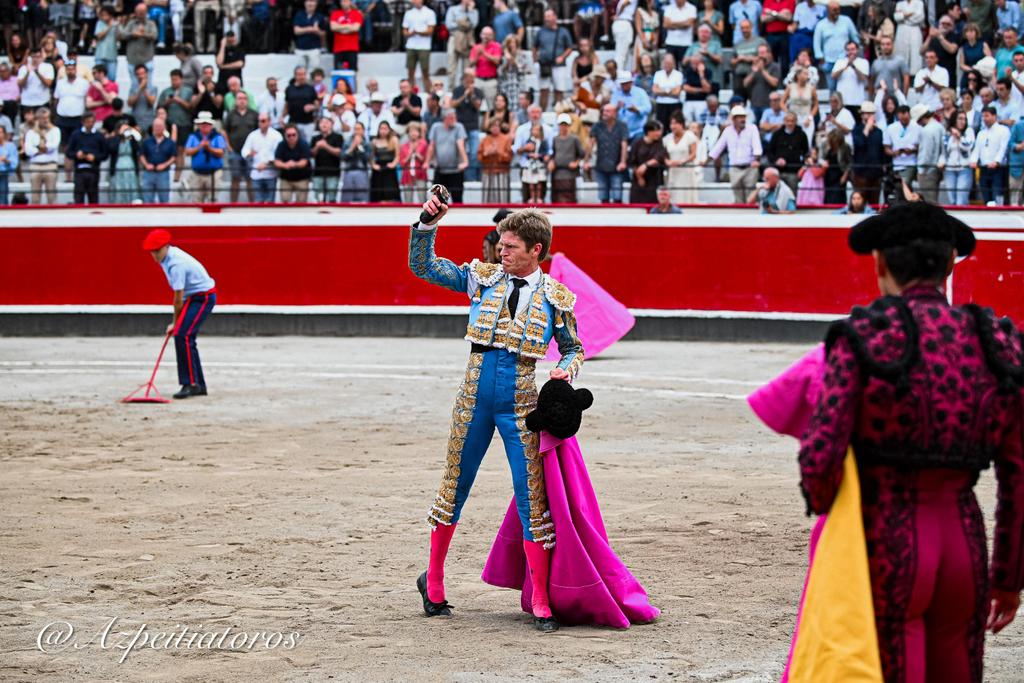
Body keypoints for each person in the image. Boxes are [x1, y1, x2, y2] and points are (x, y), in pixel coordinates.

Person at [798, 201, 1024, 683]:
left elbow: (820, 459)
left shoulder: (864, 338)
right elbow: (1019, 473)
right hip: (964, 542)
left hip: (887, 540)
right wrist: (1008, 577)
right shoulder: (997, 342)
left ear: (880, 264)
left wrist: (833, 514)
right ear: (950, 264)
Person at [409, 199, 584, 633]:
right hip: (473, 397)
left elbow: (574, 348)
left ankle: (540, 597)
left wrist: (566, 369)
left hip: (522, 404)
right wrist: (426, 224)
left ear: (536, 250)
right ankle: (433, 581)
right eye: (501, 245)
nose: (500, 251)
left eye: (510, 246)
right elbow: (423, 267)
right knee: (454, 485)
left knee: (532, 497)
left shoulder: (556, 297)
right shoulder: (481, 278)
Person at [142, 229, 216, 400]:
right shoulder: (167, 258)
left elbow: (177, 300)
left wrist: (175, 323)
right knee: (185, 336)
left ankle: (190, 384)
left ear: (166, 247)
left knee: (182, 335)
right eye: (152, 252)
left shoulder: (176, 264)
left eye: (157, 251)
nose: (155, 255)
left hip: (202, 298)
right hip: (194, 297)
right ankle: (198, 384)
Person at [709, 106, 763, 203]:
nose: (743, 119)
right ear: (733, 119)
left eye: (743, 117)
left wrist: (756, 160)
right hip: (734, 168)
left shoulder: (752, 128)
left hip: (750, 167)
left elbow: (757, 147)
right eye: (740, 117)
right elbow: (718, 148)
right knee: (737, 196)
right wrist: (705, 161)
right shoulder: (728, 131)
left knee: (750, 196)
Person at [585, 102, 630, 203]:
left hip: (616, 166)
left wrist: (623, 162)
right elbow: (591, 143)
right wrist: (586, 161)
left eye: (608, 111)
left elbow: (624, 144)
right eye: (604, 111)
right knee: (603, 195)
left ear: (615, 113)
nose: (604, 113)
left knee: (617, 195)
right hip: (601, 165)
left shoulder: (622, 126)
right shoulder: (597, 126)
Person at [426, 109, 469, 203]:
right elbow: (431, 146)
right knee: (438, 200)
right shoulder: (436, 127)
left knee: (457, 198)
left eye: (455, 117)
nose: (454, 120)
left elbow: (460, 145)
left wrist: (465, 162)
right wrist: (426, 162)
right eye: (452, 118)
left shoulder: (459, 127)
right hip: (440, 170)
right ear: (445, 118)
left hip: (456, 171)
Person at [813, 1, 859, 91]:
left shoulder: (847, 21)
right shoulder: (821, 25)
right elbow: (816, 44)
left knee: (845, 87)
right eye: (834, 10)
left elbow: (855, 38)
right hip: (829, 61)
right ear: (828, 10)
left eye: (838, 9)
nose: (836, 12)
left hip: (845, 60)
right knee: (832, 88)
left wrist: (854, 53)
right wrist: (821, 58)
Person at [535, 9, 574, 111]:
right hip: (544, 65)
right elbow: (535, 47)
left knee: (559, 90)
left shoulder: (563, 32)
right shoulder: (541, 32)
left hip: (559, 66)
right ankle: (542, 113)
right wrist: (535, 60)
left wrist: (562, 57)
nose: (546, 19)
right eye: (545, 16)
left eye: (548, 16)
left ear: (555, 17)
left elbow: (570, 47)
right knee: (544, 90)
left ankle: (559, 112)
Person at [971, 105, 1011, 205]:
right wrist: (973, 160)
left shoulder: (1003, 130)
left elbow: (1003, 148)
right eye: (983, 116)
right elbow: (977, 149)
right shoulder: (981, 133)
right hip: (984, 168)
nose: (984, 119)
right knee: (985, 195)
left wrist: (996, 161)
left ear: (994, 116)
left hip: (998, 168)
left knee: (997, 195)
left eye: (987, 116)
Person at [185, 111, 226, 203]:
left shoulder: (217, 136)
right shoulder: (193, 136)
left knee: (213, 200)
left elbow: (221, 152)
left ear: (211, 125)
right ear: (199, 125)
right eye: (202, 124)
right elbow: (187, 152)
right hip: (197, 173)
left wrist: (209, 148)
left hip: (213, 174)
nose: (205, 126)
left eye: (207, 124)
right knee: (196, 200)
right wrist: (199, 146)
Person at [939, 109, 976, 205]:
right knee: (952, 199)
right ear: (954, 119)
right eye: (960, 119)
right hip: (949, 168)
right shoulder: (947, 133)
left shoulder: (969, 131)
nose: (962, 121)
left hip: (964, 168)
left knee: (961, 199)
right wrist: (942, 162)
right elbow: (944, 152)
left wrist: (959, 137)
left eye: (964, 119)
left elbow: (968, 146)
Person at [24, 107, 60, 204]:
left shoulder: (55, 130)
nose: (46, 120)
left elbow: (54, 145)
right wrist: (41, 149)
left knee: (52, 197)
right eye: (43, 118)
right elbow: (28, 150)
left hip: (50, 165)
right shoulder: (31, 133)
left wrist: (39, 148)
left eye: (47, 117)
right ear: (37, 119)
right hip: (35, 166)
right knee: (35, 198)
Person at [768, 111, 810, 192]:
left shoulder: (801, 135)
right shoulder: (777, 134)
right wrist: (776, 160)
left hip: (793, 172)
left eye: (792, 121)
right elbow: (770, 152)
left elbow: (806, 152)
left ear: (796, 121)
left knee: (792, 194)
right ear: (784, 121)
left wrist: (802, 167)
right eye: (787, 121)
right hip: (778, 171)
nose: (790, 123)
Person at [664, 110, 701, 202]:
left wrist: (681, 162)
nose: (673, 126)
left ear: (681, 124)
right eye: (671, 124)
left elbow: (693, 154)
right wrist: (668, 162)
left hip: (686, 171)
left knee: (687, 196)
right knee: (673, 196)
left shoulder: (690, 136)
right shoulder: (667, 138)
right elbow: (664, 155)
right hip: (673, 172)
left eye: (675, 123)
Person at [118, 3, 157, 90]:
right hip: (133, 59)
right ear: (135, 13)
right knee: (135, 86)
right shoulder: (131, 24)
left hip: (147, 59)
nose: (140, 15)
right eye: (138, 12)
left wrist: (144, 34)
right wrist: (132, 34)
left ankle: (148, 99)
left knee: (148, 85)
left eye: (142, 12)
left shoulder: (151, 24)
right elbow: (123, 35)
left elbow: (154, 36)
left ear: (146, 12)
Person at [627, 120, 666, 204]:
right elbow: (632, 161)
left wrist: (646, 165)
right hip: (638, 179)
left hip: (653, 178)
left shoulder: (659, 143)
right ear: (649, 132)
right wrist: (639, 177)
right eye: (656, 131)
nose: (659, 133)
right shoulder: (637, 143)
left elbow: (659, 156)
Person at [53, 58, 89, 150]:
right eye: (68, 69)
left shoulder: (84, 83)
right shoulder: (60, 83)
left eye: (72, 69)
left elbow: (86, 100)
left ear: (76, 70)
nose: (70, 71)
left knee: (77, 142)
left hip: (77, 118)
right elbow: (56, 99)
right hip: (62, 117)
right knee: (63, 142)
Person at [139, 116, 176, 204]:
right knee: (147, 200)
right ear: (153, 127)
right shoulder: (146, 141)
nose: (158, 128)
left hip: (163, 173)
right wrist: (146, 164)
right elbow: (141, 155)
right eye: (156, 126)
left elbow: (174, 157)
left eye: (160, 126)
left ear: (164, 127)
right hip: (148, 173)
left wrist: (165, 165)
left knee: (164, 199)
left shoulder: (170, 142)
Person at [549, 113, 584, 203]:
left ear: (569, 126)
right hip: (557, 172)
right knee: (557, 195)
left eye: (565, 125)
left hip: (570, 173)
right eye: (561, 125)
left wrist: (576, 162)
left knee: (569, 195)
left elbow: (581, 154)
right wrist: (551, 162)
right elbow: (553, 154)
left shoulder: (574, 139)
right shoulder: (555, 139)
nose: (563, 127)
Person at [273, 124, 313, 203]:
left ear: (298, 134)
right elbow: (277, 162)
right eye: (289, 135)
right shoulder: (281, 145)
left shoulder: (304, 144)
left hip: (302, 178)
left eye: (294, 135)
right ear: (285, 136)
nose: (291, 137)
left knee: (301, 203)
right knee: (285, 201)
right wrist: (285, 165)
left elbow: (304, 162)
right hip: (286, 178)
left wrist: (294, 164)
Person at [403, 0, 436, 94]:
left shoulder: (429, 12)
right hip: (411, 46)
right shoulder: (408, 13)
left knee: (425, 72)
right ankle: (411, 94)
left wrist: (418, 32)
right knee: (410, 72)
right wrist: (411, 33)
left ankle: (429, 94)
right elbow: (405, 31)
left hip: (424, 47)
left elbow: (430, 30)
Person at [883, 104, 921, 185]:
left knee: (904, 183)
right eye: (901, 118)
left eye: (906, 118)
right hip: (896, 163)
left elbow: (921, 146)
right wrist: (893, 153)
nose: (903, 120)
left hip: (911, 163)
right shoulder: (891, 128)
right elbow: (886, 147)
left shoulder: (918, 127)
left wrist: (912, 150)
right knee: (899, 186)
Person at [478, 117, 513, 203]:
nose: (495, 128)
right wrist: (486, 153)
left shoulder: (506, 139)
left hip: (502, 172)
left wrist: (498, 152)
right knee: (487, 199)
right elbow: (479, 157)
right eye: (492, 126)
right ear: (489, 128)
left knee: (502, 198)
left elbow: (509, 157)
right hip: (487, 172)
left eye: (497, 126)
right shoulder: (484, 140)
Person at [915, 105, 945, 203]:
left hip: (927, 171)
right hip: (936, 168)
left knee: (930, 202)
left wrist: (921, 170)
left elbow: (926, 153)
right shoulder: (939, 126)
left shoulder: (927, 131)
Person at [309, 116, 343, 203]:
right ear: (319, 125)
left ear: (331, 124)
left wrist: (326, 146)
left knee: (332, 198)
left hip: (333, 172)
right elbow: (311, 154)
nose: (324, 124)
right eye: (322, 122)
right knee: (318, 198)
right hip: (318, 172)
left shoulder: (338, 137)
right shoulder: (315, 138)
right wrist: (317, 147)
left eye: (327, 122)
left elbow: (339, 152)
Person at [293, 0, 327, 72]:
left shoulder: (320, 17)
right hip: (300, 49)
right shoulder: (299, 15)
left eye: (313, 1)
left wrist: (317, 31)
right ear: (305, 3)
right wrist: (310, 29)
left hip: (314, 49)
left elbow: (323, 34)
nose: (310, 4)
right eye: (308, 1)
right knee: (300, 72)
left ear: (316, 4)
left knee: (313, 72)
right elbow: (296, 31)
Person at [662, 0, 697, 67]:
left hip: (686, 43)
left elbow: (688, 24)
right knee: (670, 67)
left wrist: (672, 24)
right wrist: (682, 24)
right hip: (671, 43)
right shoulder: (669, 8)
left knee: (685, 67)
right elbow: (666, 24)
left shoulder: (692, 8)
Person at [330, 0, 362, 70]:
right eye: (342, 1)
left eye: (346, 1)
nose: (344, 3)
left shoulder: (357, 13)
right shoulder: (335, 13)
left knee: (352, 72)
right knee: (339, 72)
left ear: (350, 2)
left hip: (352, 49)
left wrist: (339, 28)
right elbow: (333, 27)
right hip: (338, 49)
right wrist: (348, 26)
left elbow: (356, 28)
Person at [0, 126, 17, 205]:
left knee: (3, 198)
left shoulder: (11, 146)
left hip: (3, 174)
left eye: (0, 132)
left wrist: (6, 160)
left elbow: (14, 163)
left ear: (4, 134)